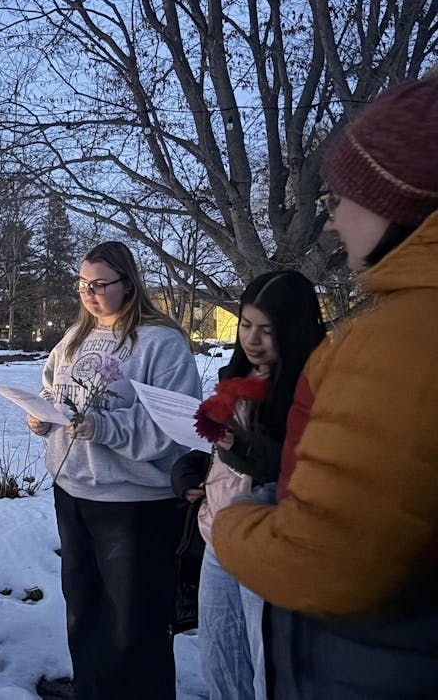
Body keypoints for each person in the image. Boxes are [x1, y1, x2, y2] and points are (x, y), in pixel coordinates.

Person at [213, 75, 438, 698]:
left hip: (378, 668)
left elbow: (328, 562)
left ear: (395, 201)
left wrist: (233, 524)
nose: (333, 224)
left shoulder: (401, 338)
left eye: (341, 199)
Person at [26, 241, 202, 699]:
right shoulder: (75, 337)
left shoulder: (161, 343)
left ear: (128, 283)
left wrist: (104, 428)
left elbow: (175, 424)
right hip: (73, 492)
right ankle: (91, 689)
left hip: (134, 504)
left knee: (135, 623)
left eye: (100, 284)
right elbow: (53, 391)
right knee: (84, 611)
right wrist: (43, 416)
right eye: (83, 284)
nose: (89, 293)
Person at [171, 271, 325, 700]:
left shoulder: (313, 388)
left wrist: (239, 447)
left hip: (270, 545)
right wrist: (190, 472)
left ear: (292, 329)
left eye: (267, 329)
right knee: (220, 662)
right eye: (246, 324)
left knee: (267, 671)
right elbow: (216, 455)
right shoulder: (235, 379)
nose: (252, 339)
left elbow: (301, 467)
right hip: (218, 536)